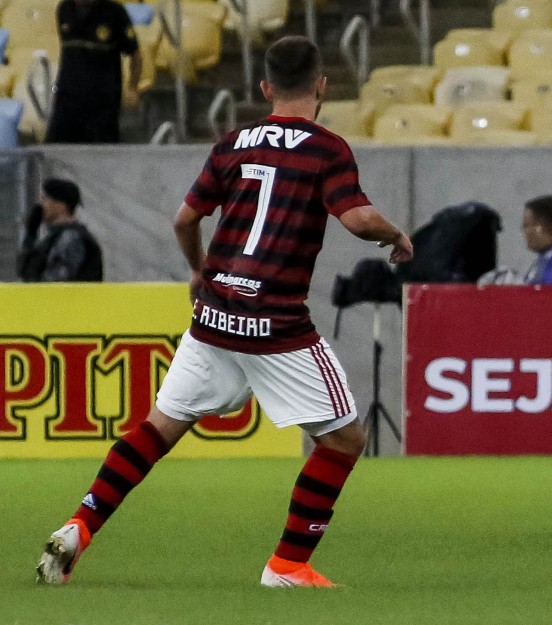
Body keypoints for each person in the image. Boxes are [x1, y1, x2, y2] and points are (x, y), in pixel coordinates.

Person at [37, 36, 414, 588]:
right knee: (344, 439)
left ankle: (79, 526)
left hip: (214, 315)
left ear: (264, 88)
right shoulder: (326, 148)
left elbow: (184, 219)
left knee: (159, 428)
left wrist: (197, 271)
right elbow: (357, 220)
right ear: (322, 86)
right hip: (276, 323)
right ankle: (287, 565)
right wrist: (397, 234)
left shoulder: (234, 142)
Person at [45, 0, 141, 143]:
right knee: (57, 148)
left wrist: (133, 87)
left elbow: (135, 55)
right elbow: (68, 53)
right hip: (68, 98)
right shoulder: (65, 9)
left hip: (102, 101)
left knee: (99, 152)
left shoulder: (114, 11)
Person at [16, 178, 103, 282]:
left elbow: (54, 284)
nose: (41, 204)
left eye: (45, 199)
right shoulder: (55, 237)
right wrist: (30, 235)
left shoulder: (71, 238)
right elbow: (25, 272)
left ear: (60, 205)